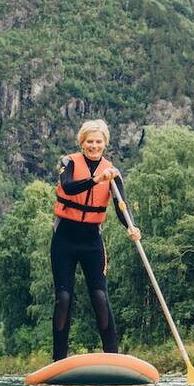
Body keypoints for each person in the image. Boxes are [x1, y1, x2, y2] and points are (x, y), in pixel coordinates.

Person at [51, 119, 141, 361]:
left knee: (100, 297)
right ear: (82, 143)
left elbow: (122, 206)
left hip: (92, 241)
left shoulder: (112, 172)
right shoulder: (68, 163)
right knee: (64, 298)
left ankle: (112, 357)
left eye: (98, 141)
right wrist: (95, 180)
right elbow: (68, 188)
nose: (94, 145)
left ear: (105, 143)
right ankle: (58, 359)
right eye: (89, 141)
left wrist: (131, 227)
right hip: (64, 239)